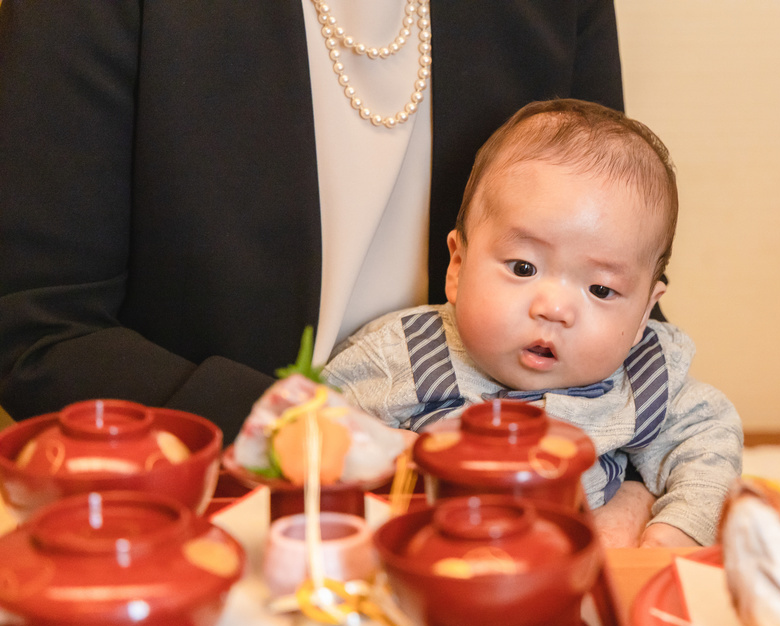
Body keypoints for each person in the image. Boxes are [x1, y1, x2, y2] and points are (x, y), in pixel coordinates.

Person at [0, 0, 625, 443]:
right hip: (204, 505)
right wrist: (303, 438)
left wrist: (644, 489)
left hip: (495, 501)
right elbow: (37, 329)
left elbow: (609, 257)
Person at [324, 99, 743, 547]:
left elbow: (709, 444)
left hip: (571, 573)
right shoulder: (405, 355)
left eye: (601, 290)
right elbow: (313, 427)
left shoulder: (643, 379)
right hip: (430, 559)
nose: (554, 309)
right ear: (459, 266)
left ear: (644, 311)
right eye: (523, 268)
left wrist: (676, 530)